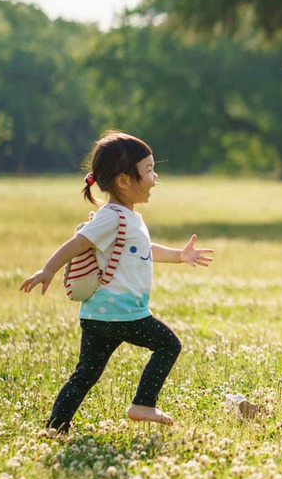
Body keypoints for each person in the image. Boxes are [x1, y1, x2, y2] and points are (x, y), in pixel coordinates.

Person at [20, 131, 213, 433]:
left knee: (86, 373)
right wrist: (48, 269)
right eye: (148, 170)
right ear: (124, 180)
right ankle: (143, 404)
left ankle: (56, 425)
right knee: (168, 345)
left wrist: (179, 255)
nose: (155, 176)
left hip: (98, 315)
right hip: (123, 313)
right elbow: (77, 243)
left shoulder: (126, 216)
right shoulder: (111, 216)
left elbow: (143, 250)